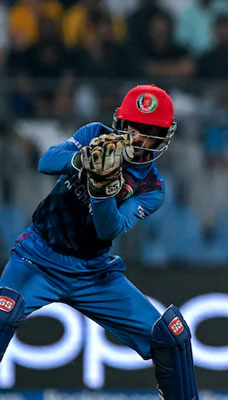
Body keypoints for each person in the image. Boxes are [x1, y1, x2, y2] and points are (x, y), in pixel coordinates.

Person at [0, 84, 198, 399]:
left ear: (163, 137)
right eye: (132, 126)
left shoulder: (152, 188)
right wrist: (84, 160)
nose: (136, 137)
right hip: (36, 258)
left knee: (171, 335)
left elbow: (108, 230)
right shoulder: (94, 133)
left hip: (93, 274)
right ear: (119, 121)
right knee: (2, 312)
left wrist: (102, 188)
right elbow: (48, 161)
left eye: (148, 130)